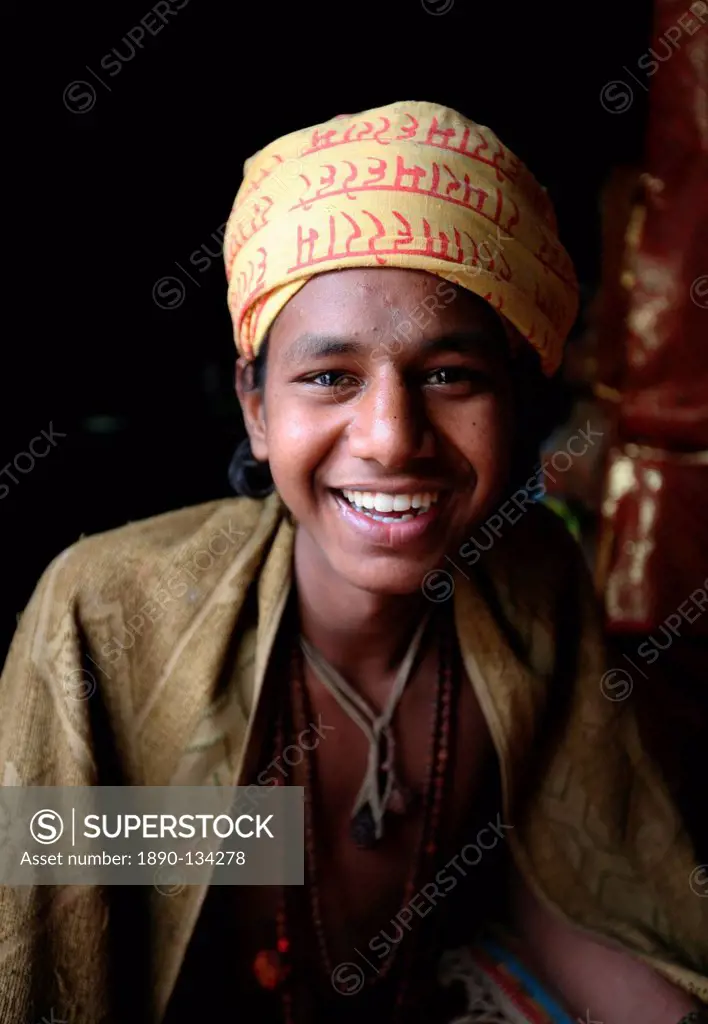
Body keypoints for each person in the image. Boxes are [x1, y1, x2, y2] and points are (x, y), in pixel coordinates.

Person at [0, 101, 706, 1024]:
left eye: (450, 375)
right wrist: (261, 831)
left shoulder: (534, 585)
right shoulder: (108, 612)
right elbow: (67, 923)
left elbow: (567, 885)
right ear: (256, 407)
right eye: (329, 377)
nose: (389, 438)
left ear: (515, 399)